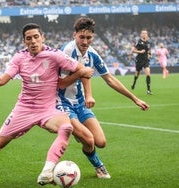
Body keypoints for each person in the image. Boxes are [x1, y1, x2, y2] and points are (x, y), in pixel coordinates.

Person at [0, 23, 94, 186]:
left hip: (48, 109)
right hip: (24, 109)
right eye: (29, 38)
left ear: (42, 38)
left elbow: (82, 69)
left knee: (66, 127)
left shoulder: (55, 55)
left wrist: (81, 77)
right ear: (24, 41)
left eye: (36, 37)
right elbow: (2, 80)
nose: (33, 41)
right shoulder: (19, 58)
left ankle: (47, 172)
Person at [57, 17, 150, 179]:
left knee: (100, 142)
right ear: (74, 35)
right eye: (82, 37)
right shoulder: (66, 52)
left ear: (93, 37)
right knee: (89, 139)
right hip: (62, 102)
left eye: (89, 38)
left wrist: (135, 99)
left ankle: (80, 134)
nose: (85, 41)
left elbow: (110, 79)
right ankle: (99, 166)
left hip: (79, 103)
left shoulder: (93, 54)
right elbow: (60, 84)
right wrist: (81, 74)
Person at [131, 28, 152, 95]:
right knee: (137, 73)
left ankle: (148, 90)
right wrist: (140, 51)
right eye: (143, 33)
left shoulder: (148, 42)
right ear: (141, 34)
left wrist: (149, 54)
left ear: (147, 34)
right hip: (139, 60)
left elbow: (149, 50)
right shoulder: (139, 42)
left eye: (145, 33)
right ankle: (134, 83)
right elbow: (133, 50)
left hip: (146, 60)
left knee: (148, 73)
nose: (144, 34)